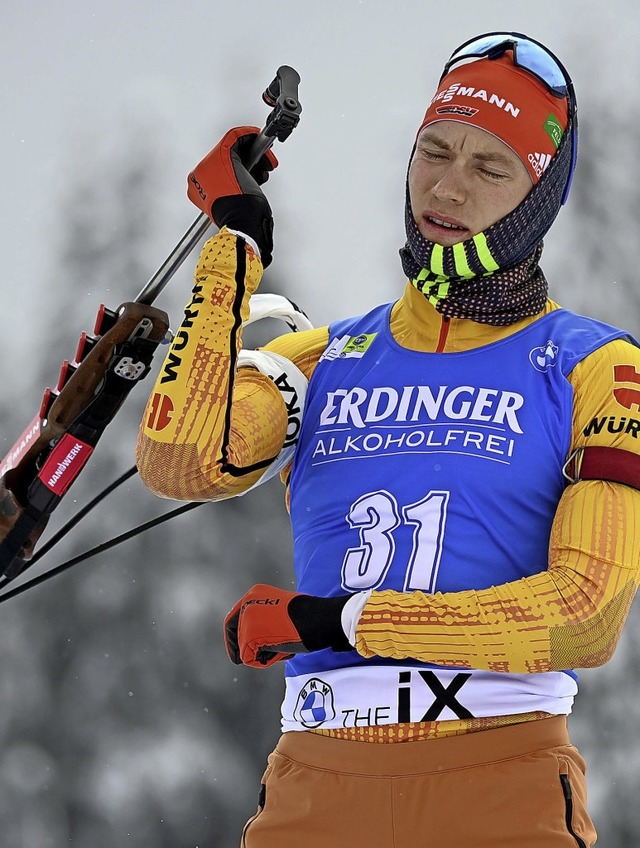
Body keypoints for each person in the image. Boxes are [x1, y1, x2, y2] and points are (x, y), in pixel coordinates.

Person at [136, 31, 640, 848]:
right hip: (317, 784)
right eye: (434, 151)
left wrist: (340, 623)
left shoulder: (597, 368)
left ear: (539, 194)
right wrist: (235, 247)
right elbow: (179, 461)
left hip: (500, 781)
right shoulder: (326, 357)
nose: (447, 186)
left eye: (490, 167)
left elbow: (585, 617)